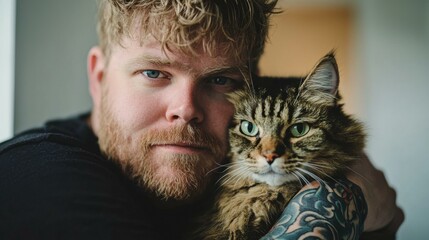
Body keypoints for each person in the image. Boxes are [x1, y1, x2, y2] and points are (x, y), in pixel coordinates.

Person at [0, 0, 403, 239]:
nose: (187, 108)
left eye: (220, 80)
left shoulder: (212, 172)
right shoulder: (35, 178)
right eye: (154, 73)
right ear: (99, 76)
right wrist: (346, 204)